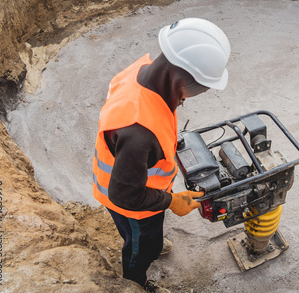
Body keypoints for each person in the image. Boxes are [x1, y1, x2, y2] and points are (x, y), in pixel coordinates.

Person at [92, 18, 231, 292]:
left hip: (133, 180)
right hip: (128, 203)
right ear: (181, 78)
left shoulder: (141, 74)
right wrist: (171, 201)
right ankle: (136, 280)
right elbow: (126, 195)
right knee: (141, 246)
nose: (204, 92)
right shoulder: (139, 133)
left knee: (149, 237)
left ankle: (148, 243)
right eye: (204, 86)